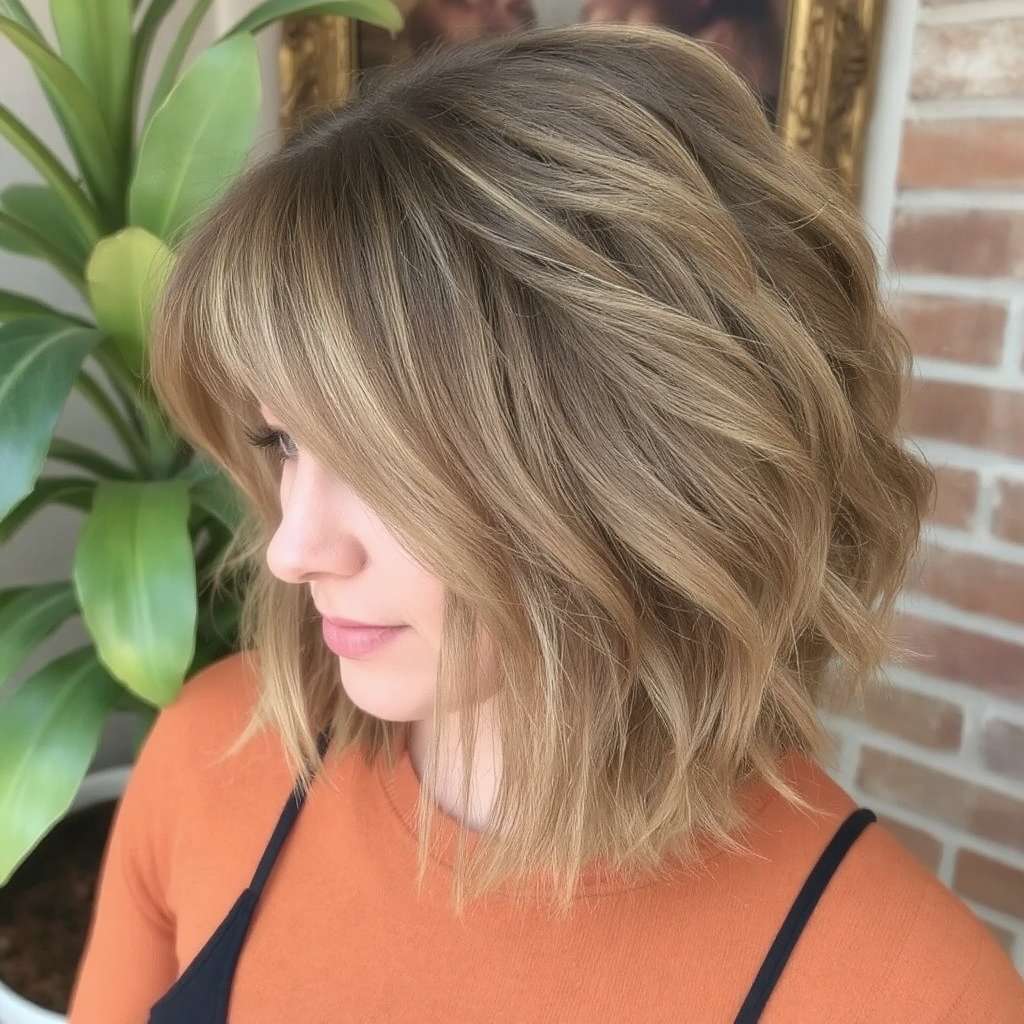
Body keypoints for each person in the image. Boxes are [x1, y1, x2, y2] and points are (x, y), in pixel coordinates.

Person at [67, 23, 1024, 1024]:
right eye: (285, 442)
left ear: (641, 480)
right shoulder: (214, 753)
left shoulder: (909, 993)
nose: (293, 550)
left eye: (387, 466)